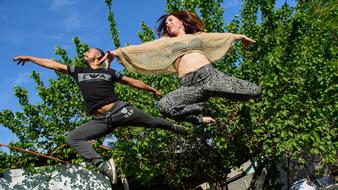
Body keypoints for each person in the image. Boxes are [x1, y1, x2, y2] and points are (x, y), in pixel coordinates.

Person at [13, 48, 188, 185]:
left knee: (153, 122)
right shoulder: (78, 71)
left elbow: (132, 82)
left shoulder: (109, 73)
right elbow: (53, 64)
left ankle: (176, 128)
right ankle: (104, 167)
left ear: (98, 55)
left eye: (87, 51)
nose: (83, 53)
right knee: (72, 138)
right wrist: (30, 58)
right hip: (101, 121)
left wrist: (152, 89)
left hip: (120, 110)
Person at [102, 10, 261, 125]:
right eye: (166, 23)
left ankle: (220, 92)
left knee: (255, 91)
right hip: (189, 85)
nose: (168, 24)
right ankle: (197, 118)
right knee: (165, 105)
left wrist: (238, 37)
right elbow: (143, 48)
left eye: (171, 20)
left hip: (212, 77)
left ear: (181, 21)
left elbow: (218, 36)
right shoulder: (166, 42)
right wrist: (116, 53)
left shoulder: (197, 37)